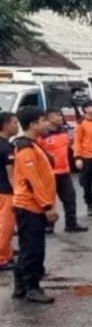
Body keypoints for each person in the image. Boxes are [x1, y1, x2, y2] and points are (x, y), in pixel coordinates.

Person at [11, 106, 58, 304]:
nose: (48, 124)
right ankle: (31, 287)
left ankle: (22, 285)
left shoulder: (32, 145)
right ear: (33, 124)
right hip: (31, 206)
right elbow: (32, 181)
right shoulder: (26, 149)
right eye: (43, 120)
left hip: (33, 205)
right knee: (33, 249)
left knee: (28, 247)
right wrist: (47, 207)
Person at [39, 109, 88, 233]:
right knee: (49, 200)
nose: (61, 118)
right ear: (49, 119)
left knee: (70, 198)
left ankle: (71, 224)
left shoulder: (64, 130)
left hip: (64, 172)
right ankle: (48, 225)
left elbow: (70, 146)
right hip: (49, 174)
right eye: (57, 116)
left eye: (60, 115)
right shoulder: (42, 135)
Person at [0, 112, 19, 271]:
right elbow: (10, 173)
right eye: (14, 123)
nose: (17, 126)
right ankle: (2, 258)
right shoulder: (6, 147)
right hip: (5, 191)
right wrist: (17, 191)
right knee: (6, 226)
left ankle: (7, 253)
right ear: (6, 125)